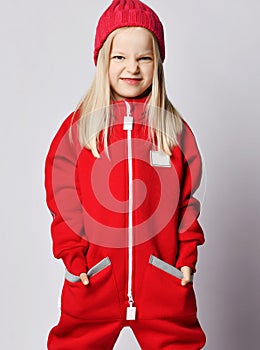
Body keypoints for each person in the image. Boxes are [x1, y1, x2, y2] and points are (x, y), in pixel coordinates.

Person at [44, 0, 207, 349]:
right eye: (120, 57)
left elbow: (188, 204)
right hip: (95, 277)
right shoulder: (78, 130)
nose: (132, 67)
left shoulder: (173, 131)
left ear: (158, 63)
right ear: (103, 60)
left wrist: (185, 261)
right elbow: (62, 201)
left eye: (144, 58)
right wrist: (76, 259)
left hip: (161, 279)